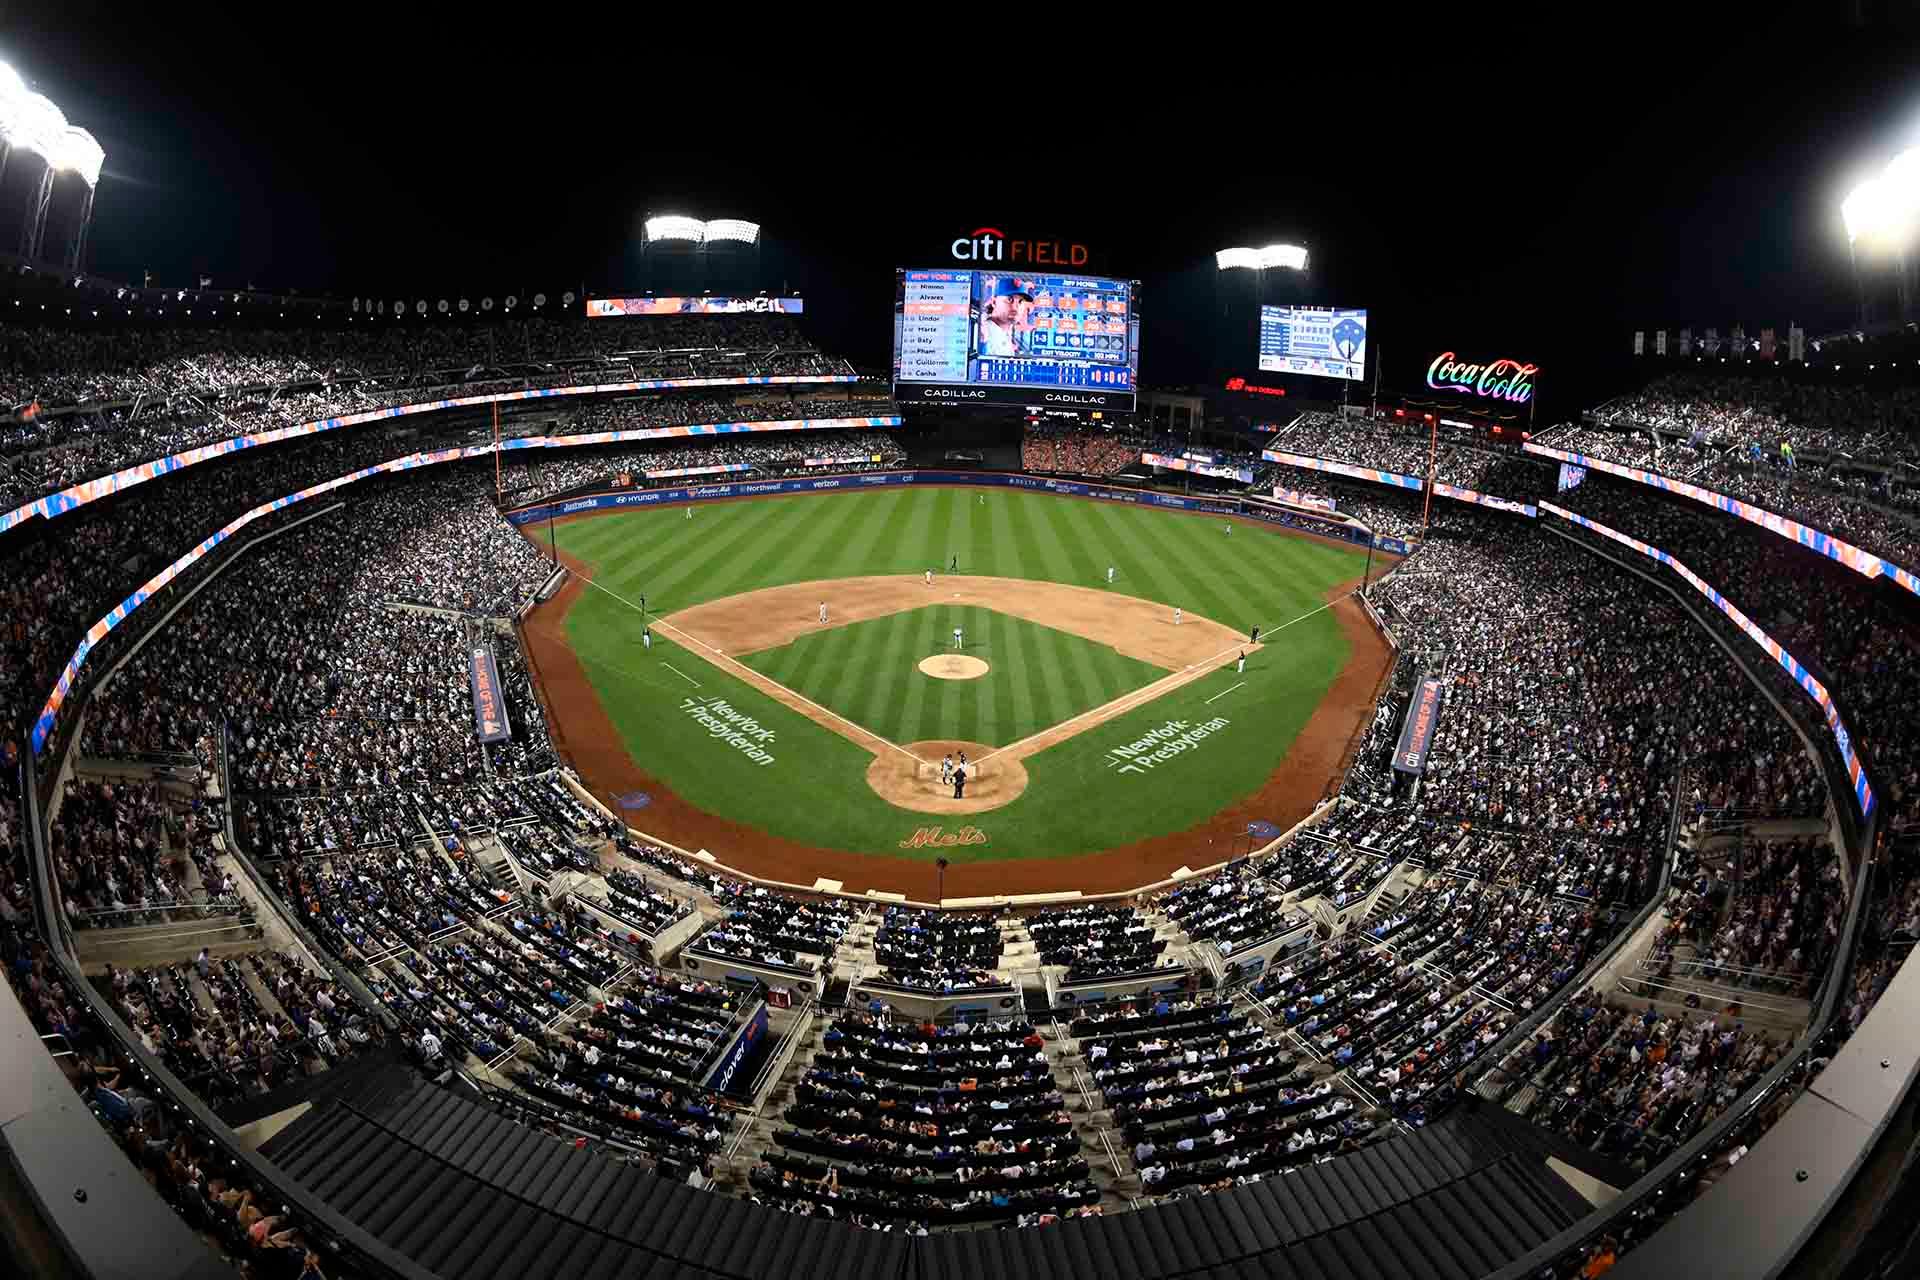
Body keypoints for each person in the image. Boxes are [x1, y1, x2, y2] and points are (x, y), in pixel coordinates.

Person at [977, 278, 1033, 357]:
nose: (1015, 307)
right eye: (1010, 300)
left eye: (1020, 302)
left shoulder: (1005, 332)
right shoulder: (982, 331)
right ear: (994, 302)